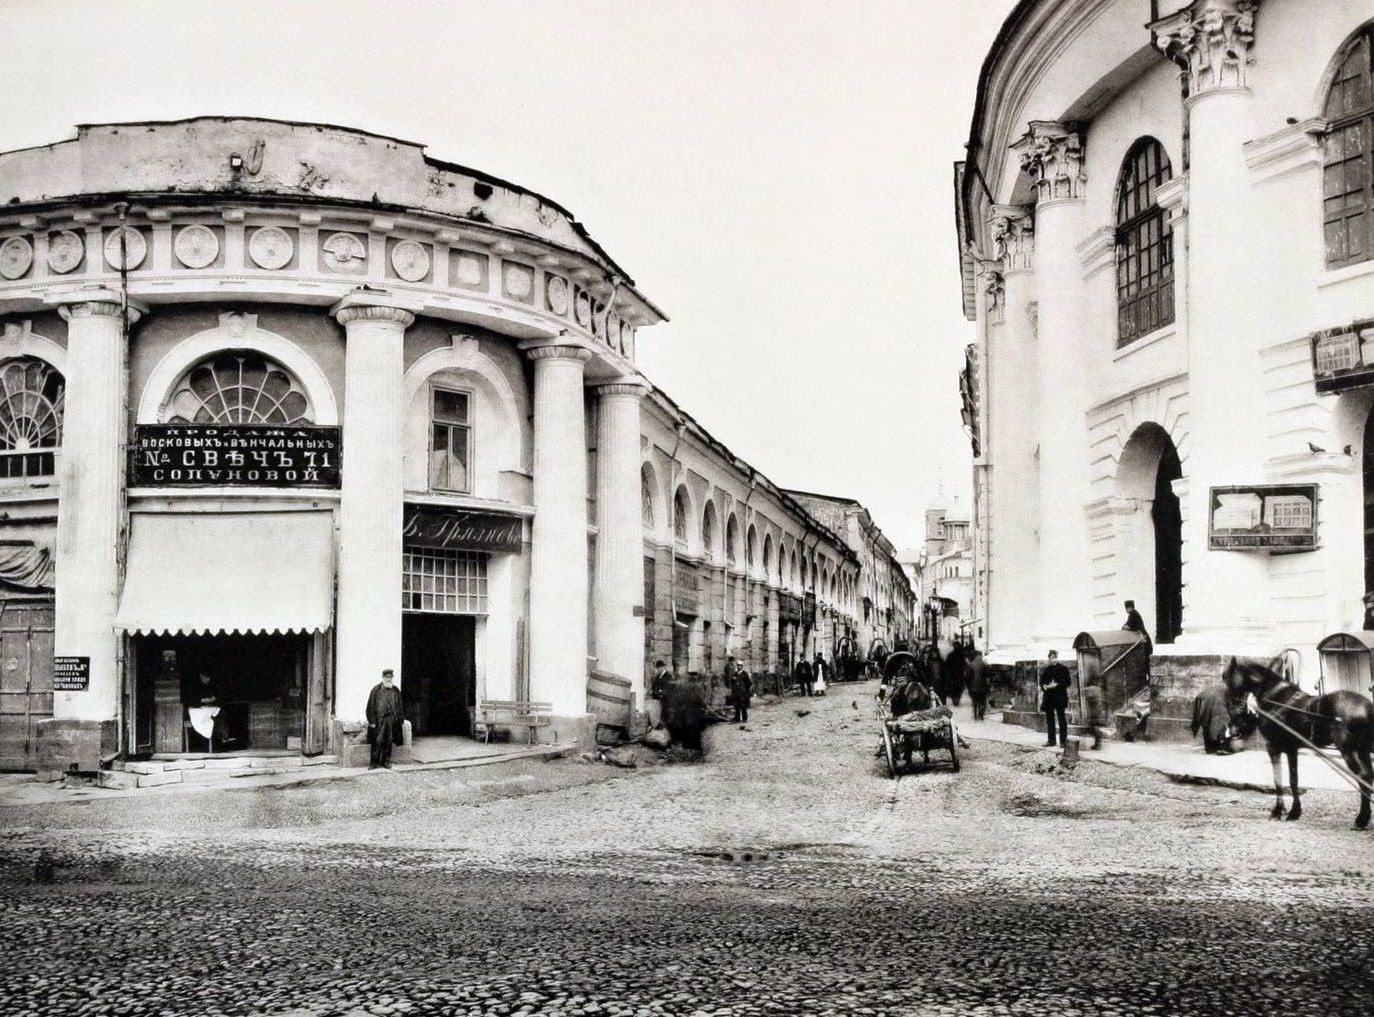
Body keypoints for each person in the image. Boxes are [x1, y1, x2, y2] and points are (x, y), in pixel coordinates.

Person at [366, 668, 405, 769]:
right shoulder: (376, 690)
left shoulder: (396, 691)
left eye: (390, 677)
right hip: (379, 720)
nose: (389, 679)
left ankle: (386, 762)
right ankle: (374, 763)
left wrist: (400, 719)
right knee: (377, 741)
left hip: (391, 720)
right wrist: (372, 721)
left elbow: (400, 706)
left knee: (389, 741)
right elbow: (370, 706)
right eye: (387, 677)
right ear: (383, 677)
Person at [1039, 650, 1071, 748]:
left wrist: (1056, 685)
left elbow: (1068, 682)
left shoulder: (1063, 669)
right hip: (1049, 698)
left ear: (1057, 658)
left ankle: (1063, 741)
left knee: (1062, 719)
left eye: (1055, 657)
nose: (1053, 659)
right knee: (1050, 720)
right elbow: (1042, 681)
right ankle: (1051, 741)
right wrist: (1043, 686)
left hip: (1059, 697)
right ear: (1049, 659)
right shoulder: (1047, 669)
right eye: (1051, 658)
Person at [648, 659, 672, 729]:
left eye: (659, 668)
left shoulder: (668, 676)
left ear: (663, 667)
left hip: (665, 699)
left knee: (664, 713)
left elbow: (668, 688)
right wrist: (652, 691)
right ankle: (657, 725)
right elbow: (654, 686)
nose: (658, 670)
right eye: (657, 668)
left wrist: (660, 692)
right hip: (657, 699)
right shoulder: (657, 677)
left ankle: (664, 725)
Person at [728, 657, 753, 725]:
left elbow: (749, 683)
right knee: (736, 705)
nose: (739, 667)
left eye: (740, 666)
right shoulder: (735, 673)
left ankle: (745, 718)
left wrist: (745, 690)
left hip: (742, 693)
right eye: (738, 665)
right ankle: (737, 718)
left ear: (742, 667)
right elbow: (731, 682)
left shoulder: (745, 674)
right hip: (736, 692)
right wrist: (733, 680)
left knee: (743, 705)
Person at [966, 650, 989, 721]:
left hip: (973, 687)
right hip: (983, 687)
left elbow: (968, 676)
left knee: (975, 701)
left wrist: (968, 686)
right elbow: (987, 675)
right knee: (982, 701)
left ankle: (975, 715)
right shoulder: (985, 664)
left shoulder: (971, 664)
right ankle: (981, 714)